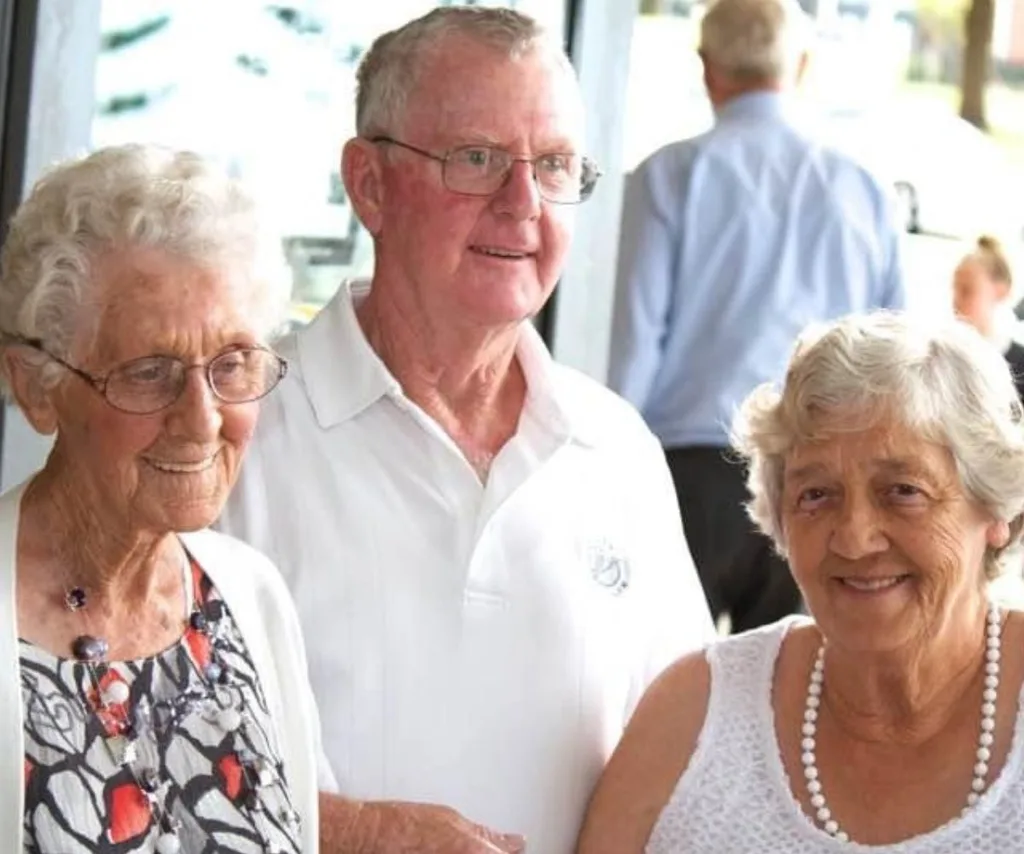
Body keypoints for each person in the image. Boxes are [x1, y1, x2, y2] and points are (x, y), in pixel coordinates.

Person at [217, 6, 715, 853]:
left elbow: (690, 759)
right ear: (369, 184)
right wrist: (354, 833)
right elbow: (142, 752)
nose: (523, 203)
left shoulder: (617, 449)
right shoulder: (233, 432)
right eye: (477, 159)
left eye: (554, 165)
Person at [578, 310, 1024, 852]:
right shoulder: (697, 713)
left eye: (903, 490)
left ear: (997, 507)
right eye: (816, 495)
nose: (854, 539)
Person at [0, 145, 329, 852]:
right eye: (150, 373)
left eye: (233, 363)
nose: (203, 418)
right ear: (36, 384)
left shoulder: (249, 597)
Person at [607, 0, 907, 634]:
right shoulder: (863, 187)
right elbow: (897, 358)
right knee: (788, 700)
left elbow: (635, 341)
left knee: (660, 687)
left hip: (687, 480)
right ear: (799, 65)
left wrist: (606, 474)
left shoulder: (668, 177)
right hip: (819, 481)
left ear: (707, 68)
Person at [953, 235, 1024, 399]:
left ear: (1001, 291)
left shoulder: (1021, 365)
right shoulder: (947, 362)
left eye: (966, 290)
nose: (955, 301)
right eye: (954, 289)